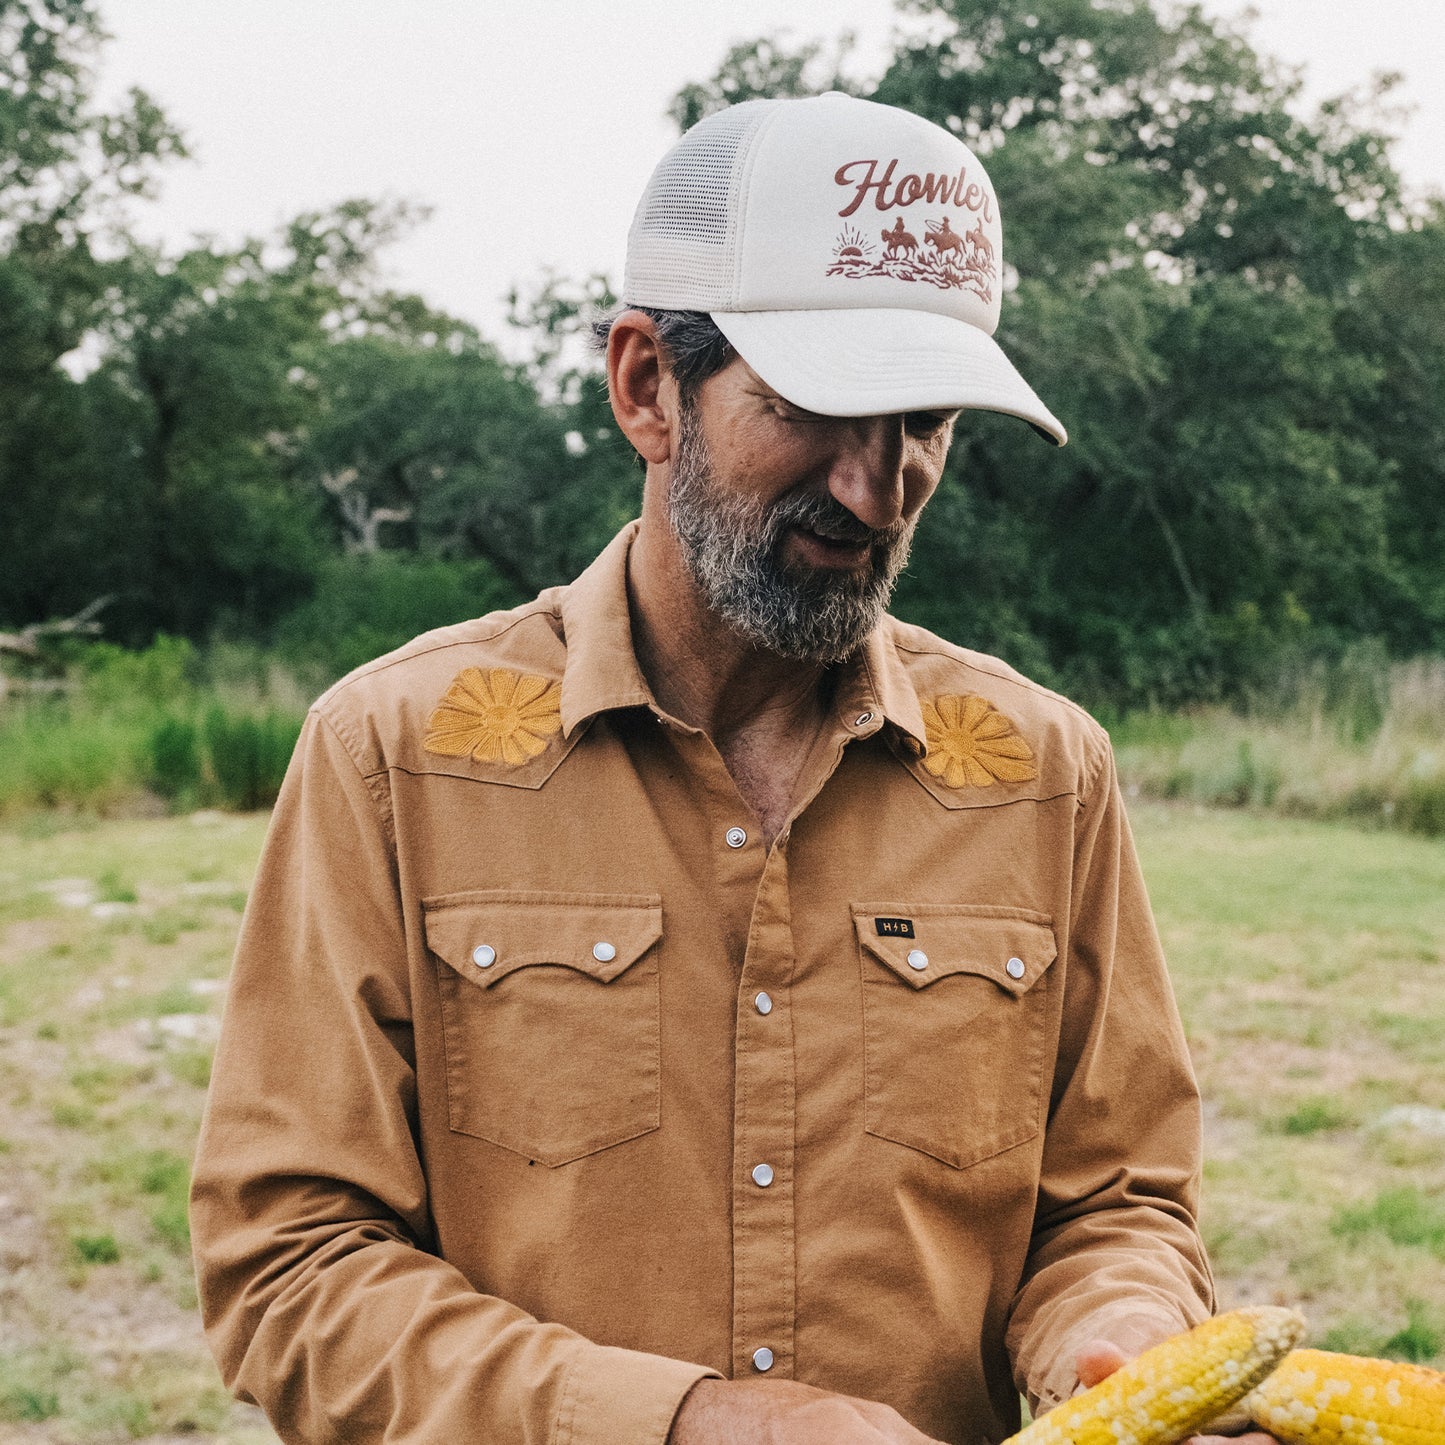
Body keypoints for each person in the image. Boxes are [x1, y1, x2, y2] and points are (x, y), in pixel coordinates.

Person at [191, 93, 1220, 1445]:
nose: (876, 485)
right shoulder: (394, 757)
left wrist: (1119, 1331)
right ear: (644, 385)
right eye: (814, 409)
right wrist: (689, 1422)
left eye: (924, 420)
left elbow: (1112, 1202)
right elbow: (290, 1267)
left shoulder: (1041, 772)